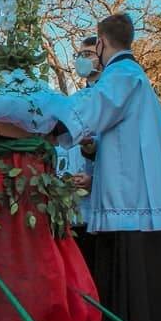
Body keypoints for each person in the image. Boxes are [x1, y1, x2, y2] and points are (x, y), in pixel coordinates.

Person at [50, 13, 161, 321]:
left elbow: (92, 109)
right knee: (137, 267)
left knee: (128, 265)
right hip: (134, 187)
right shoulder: (134, 76)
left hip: (129, 193)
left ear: (100, 42)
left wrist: (46, 122)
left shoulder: (121, 76)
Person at [56, 35, 102, 255]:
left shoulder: (111, 99)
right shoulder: (73, 101)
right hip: (72, 213)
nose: (82, 60)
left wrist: (95, 180)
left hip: (100, 211)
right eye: (79, 55)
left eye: (88, 54)